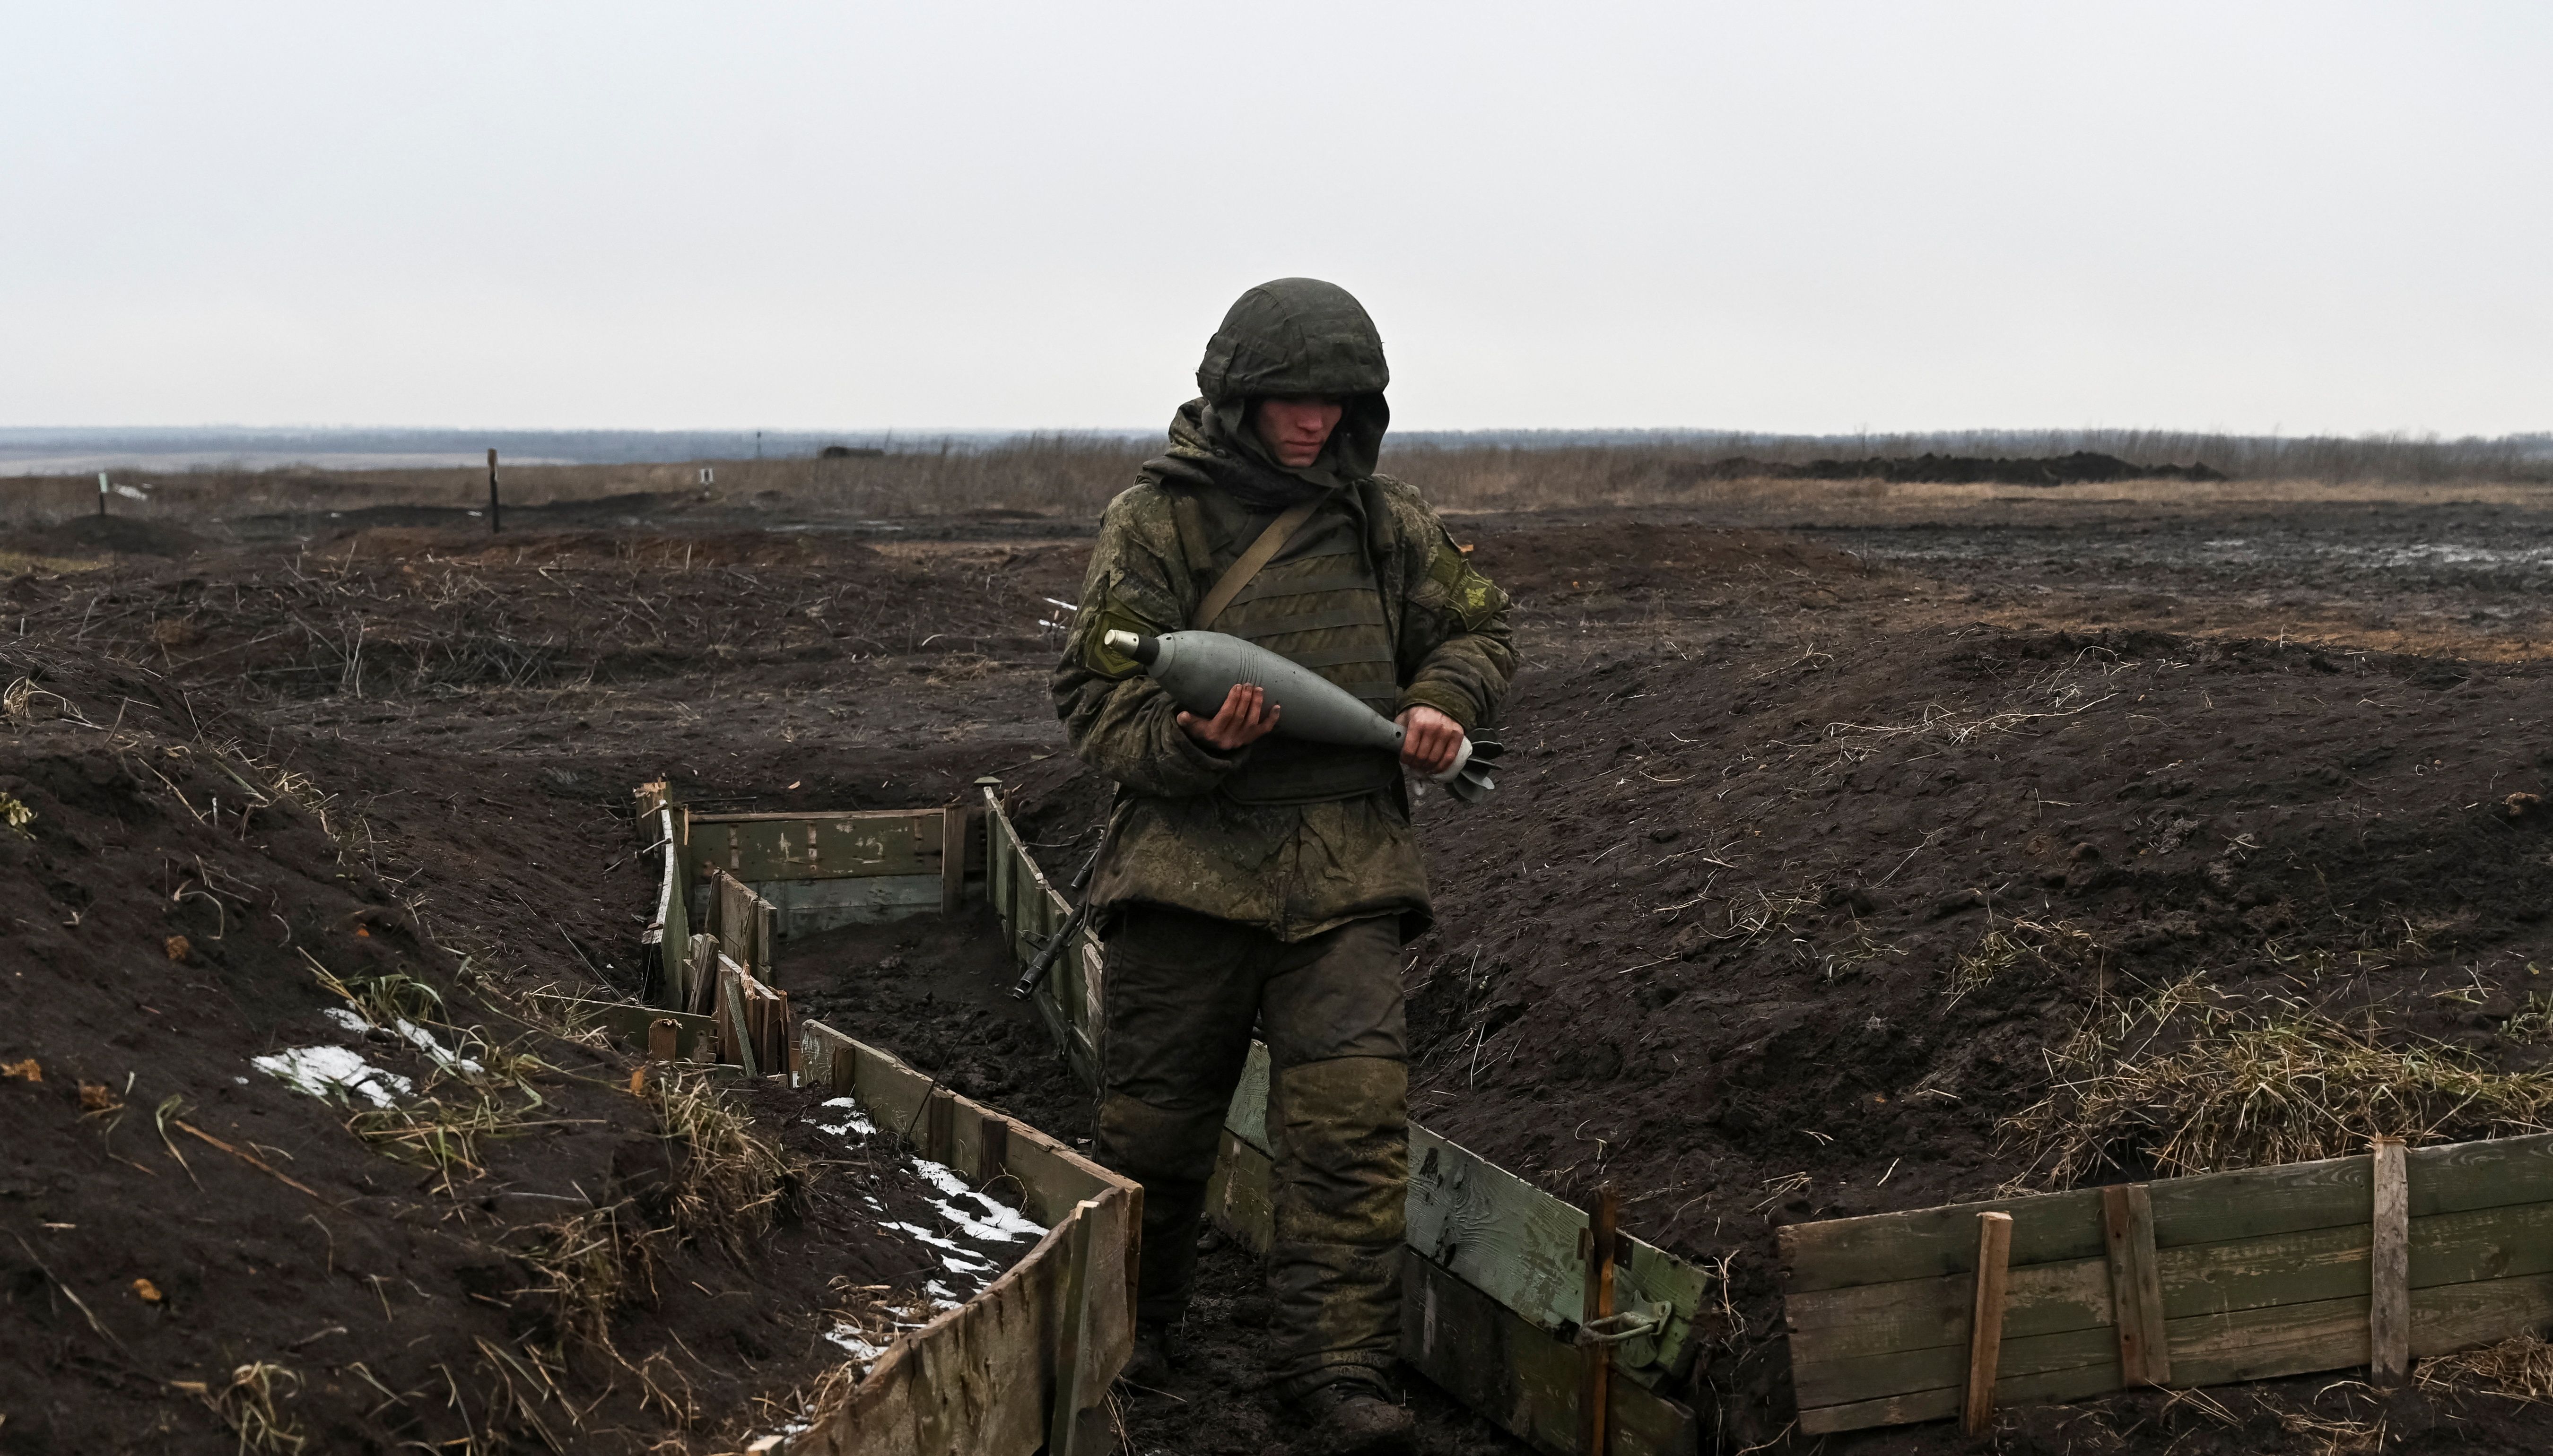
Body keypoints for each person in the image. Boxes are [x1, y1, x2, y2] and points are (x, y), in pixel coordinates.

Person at [1053, 278, 1514, 1451]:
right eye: (1290, 398)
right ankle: (1138, 1338)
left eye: (1335, 400)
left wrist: (1436, 704)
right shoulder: (1156, 521)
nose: (1313, 421)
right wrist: (1191, 743)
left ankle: (1340, 1372)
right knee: (1153, 1133)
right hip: (1186, 874)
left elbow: (1476, 628)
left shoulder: (1383, 520)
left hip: (1348, 875)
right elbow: (1094, 694)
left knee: (1350, 1139)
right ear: (1240, 396)